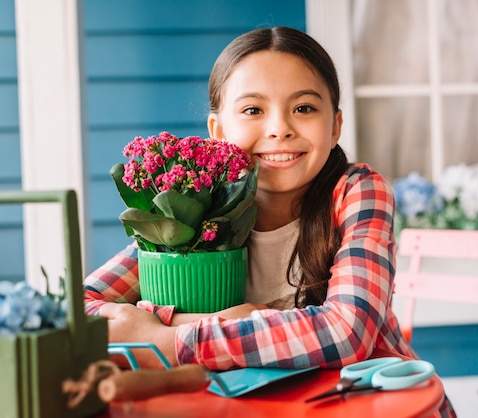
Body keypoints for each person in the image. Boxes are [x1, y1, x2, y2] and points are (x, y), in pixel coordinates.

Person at [84, 26, 456, 415]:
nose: (279, 128)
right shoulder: (192, 211)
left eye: (304, 108)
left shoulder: (357, 192)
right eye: (253, 110)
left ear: (335, 126)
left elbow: (347, 332)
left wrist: (168, 341)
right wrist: (200, 319)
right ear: (218, 132)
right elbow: (77, 310)